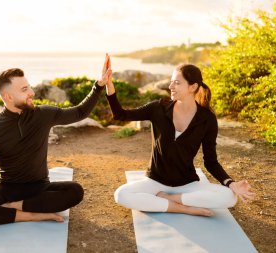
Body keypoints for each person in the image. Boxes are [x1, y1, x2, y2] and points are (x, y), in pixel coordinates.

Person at [0, 55, 112, 227]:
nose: (32, 93)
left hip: (39, 188)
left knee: (75, 191)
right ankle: (30, 215)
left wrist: (99, 85)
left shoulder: (43, 115)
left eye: (29, 87)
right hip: (5, 190)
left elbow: (79, 113)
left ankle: (12, 209)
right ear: (8, 97)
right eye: (24, 89)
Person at [105, 58, 255, 216]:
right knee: (121, 195)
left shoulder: (206, 119)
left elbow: (211, 161)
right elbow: (120, 114)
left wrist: (231, 184)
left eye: (177, 82)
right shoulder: (158, 108)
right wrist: (109, 85)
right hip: (155, 181)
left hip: (186, 183)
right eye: (171, 82)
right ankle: (182, 208)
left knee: (230, 198)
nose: (170, 86)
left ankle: (170, 199)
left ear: (193, 87)